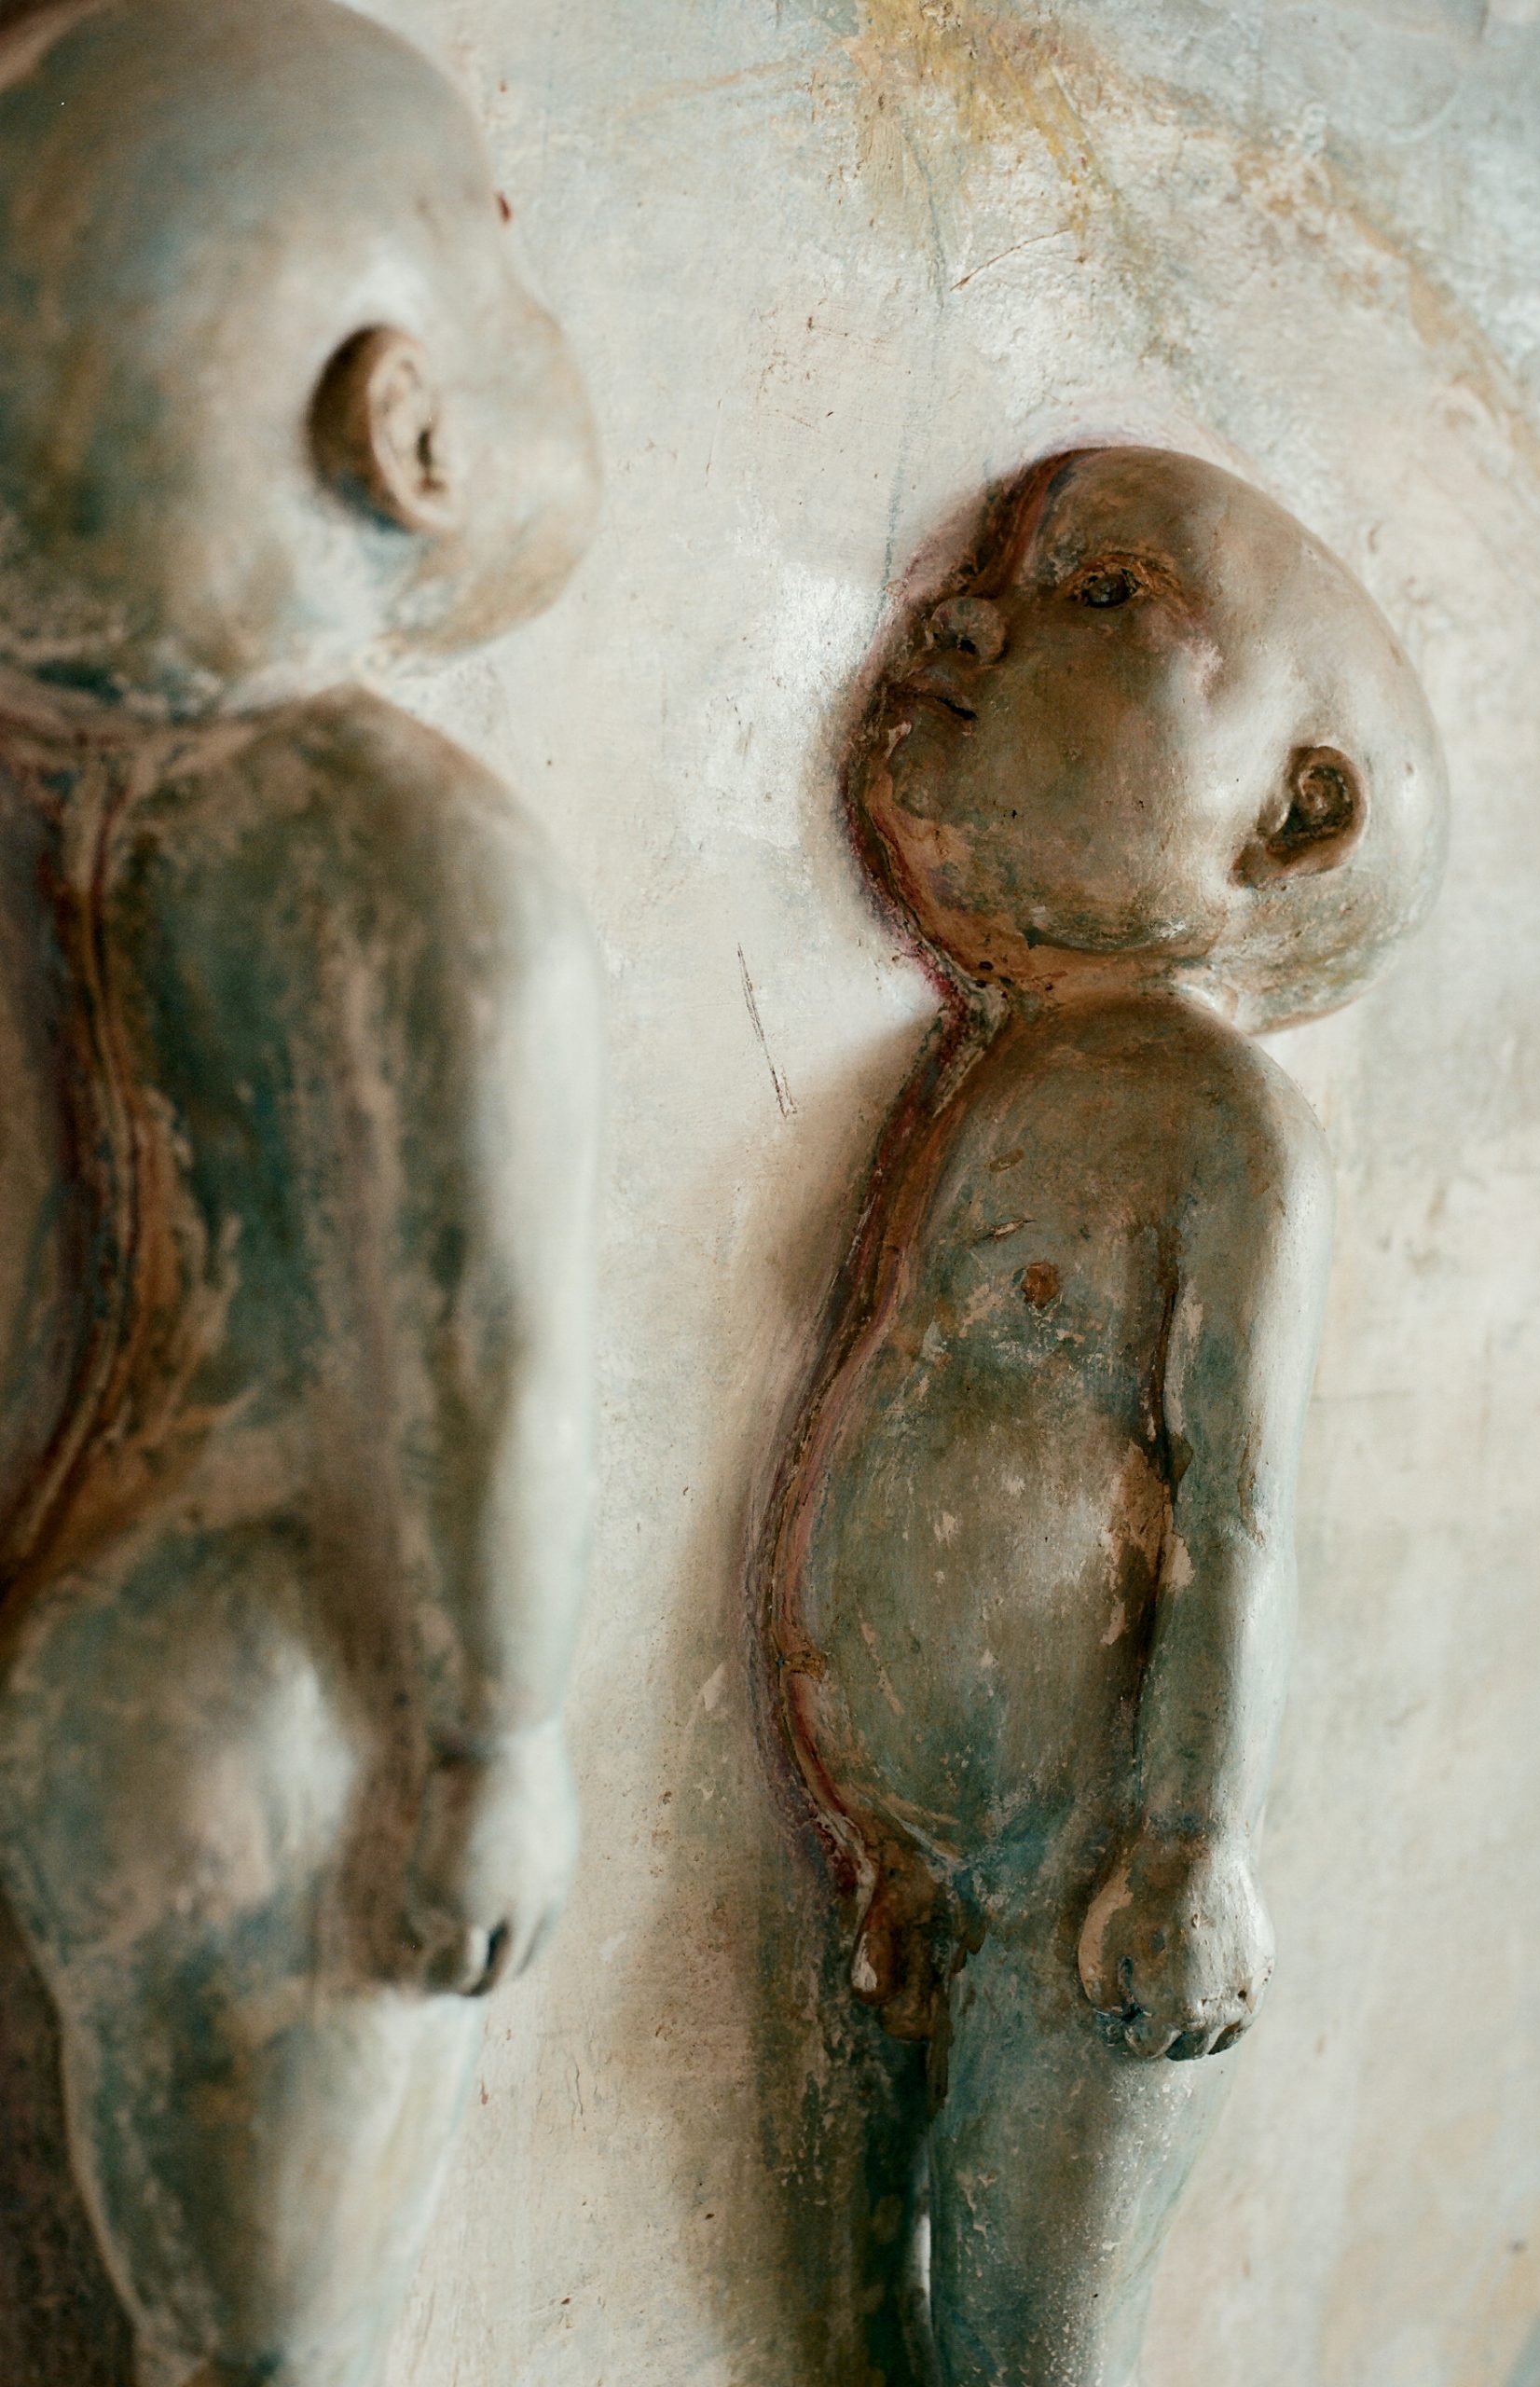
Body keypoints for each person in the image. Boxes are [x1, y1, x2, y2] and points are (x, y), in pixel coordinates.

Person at [0, 5, 600, 2380]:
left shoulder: (75, 806)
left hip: (98, 1659)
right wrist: (495, 1744)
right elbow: (490, 1350)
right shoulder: (417, 859)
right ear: (408, 434)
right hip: (296, 1678)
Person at [762, 446, 1447, 2384]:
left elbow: (1235, 1508)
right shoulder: (1007, 1070)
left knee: (1025, 2338)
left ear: (1291, 814)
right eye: (997, 574)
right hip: (917, 1867)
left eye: (1101, 594)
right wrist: (883, 1817)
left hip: (1094, 1883)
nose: (966, 622)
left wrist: (1188, 1845)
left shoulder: (1218, 1124)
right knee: (851, 2329)